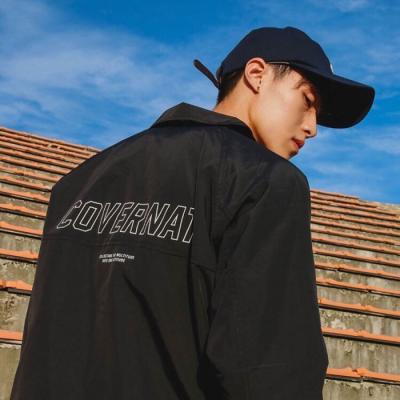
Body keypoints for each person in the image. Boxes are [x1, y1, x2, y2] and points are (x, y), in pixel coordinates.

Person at [10, 26, 374, 400]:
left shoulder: (76, 184)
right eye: (307, 100)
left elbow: (43, 353)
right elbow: (272, 375)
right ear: (257, 74)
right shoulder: (267, 181)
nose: (312, 128)